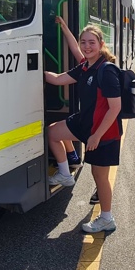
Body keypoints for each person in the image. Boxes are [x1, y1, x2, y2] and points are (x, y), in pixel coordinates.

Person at [44, 25, 122, 234]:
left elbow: (115, 108)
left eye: (92, 42)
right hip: (85, 123)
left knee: (99, 176)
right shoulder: (85, 66)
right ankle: (65, 174)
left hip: (104, 132)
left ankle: (107, 219)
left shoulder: (106, 71)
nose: (87, 47)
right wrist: (31, 69)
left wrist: (96, 136)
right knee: (52, 132)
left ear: (101, 44)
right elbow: (57, 79)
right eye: (83, 42)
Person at [54, 15, 85, 168]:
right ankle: (73, 157)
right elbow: (75, 48)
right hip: (89, 117)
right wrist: (64, 27)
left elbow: (58, 79)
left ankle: (64, 173)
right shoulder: (87, 63)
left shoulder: (88, 67)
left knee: (52, 132)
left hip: (91, 121)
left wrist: (38, 73)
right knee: (62, 126)